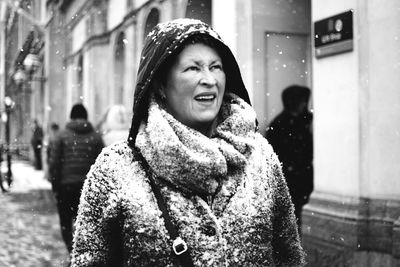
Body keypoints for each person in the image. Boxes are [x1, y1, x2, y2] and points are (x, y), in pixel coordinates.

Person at [71, 19, 305, 266]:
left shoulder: (260, 154)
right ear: (160, 84)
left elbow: (288, 255)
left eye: (216, 67)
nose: (210, 80)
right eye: (193, 68)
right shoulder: (115, 168)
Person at [49, 103, 104, 255]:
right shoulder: (96, 137)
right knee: (87, 224)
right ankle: (83, 254)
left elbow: (54, 163)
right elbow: (102, 164)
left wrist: (55, 185)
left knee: (66, 223)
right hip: (88, 189)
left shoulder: (61, 136)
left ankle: (72, 252)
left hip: (66, 187)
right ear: (86, 117)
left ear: (71, 117)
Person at [266, 85, 313, 234]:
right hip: (289, 178)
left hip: (303, 176)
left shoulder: (304, 120)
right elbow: (274, 154)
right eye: (302, 101)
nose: (305, 105)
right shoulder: (279, 124)